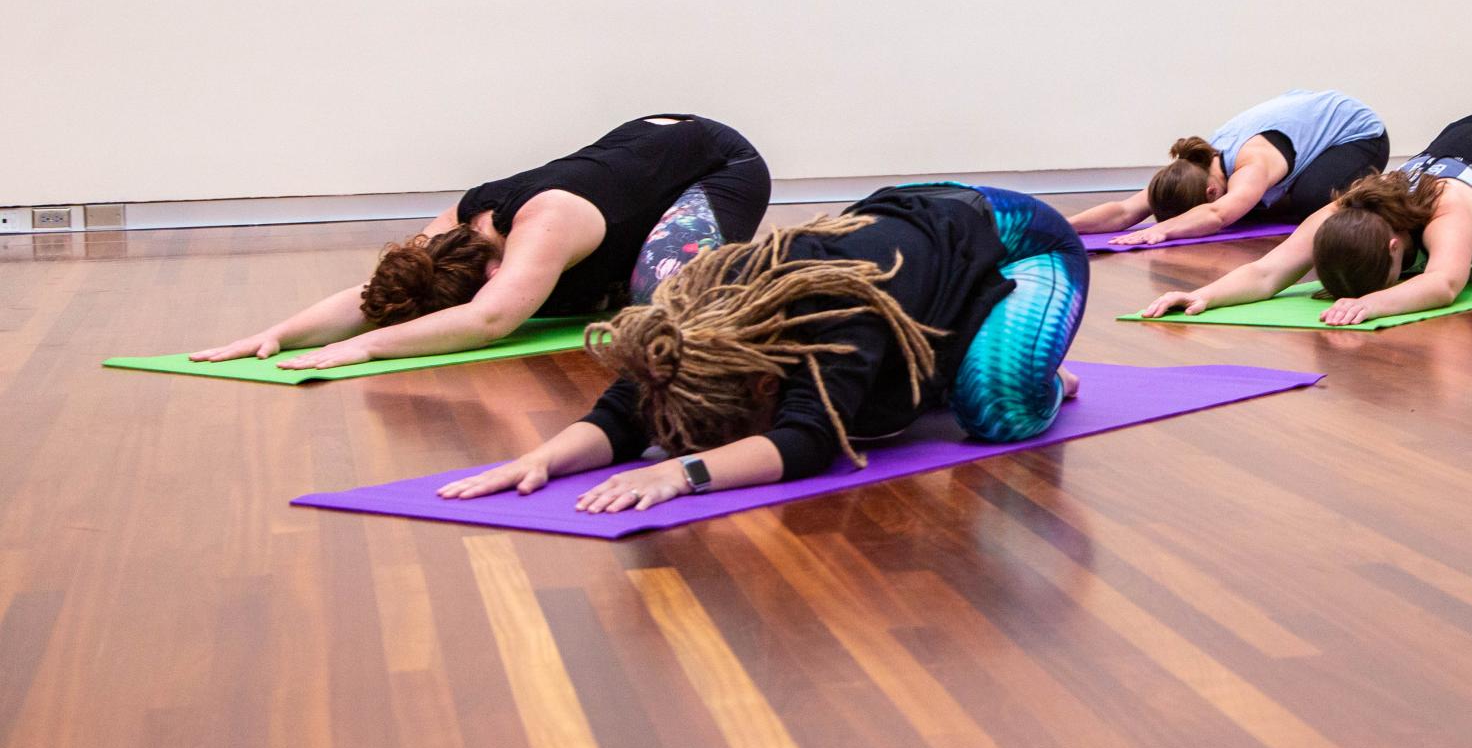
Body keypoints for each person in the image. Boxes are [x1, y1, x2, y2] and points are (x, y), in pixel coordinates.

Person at [435, 184, 1088, 514]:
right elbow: (635, 398)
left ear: (760, 385)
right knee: (887, 393)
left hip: (1021, 239)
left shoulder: (837, 314)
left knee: (996, 410)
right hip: (916, 218)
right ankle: (967, 344)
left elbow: (808, 442)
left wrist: (679, 474)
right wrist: (544, 459)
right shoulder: (698, 316)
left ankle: (1047, 376)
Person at [188, 114, 770, 370]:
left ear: (487, 273)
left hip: (715, 161)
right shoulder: (456, 222)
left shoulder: (545, 223)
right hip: (636, 153)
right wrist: (277, 334)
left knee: (656, 305)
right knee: (559, 295)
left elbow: (489, 321)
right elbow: (375, 294)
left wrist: (368, 347)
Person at [1138, 106, 1472, 326]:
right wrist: (1202, 296)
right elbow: (1265, 272)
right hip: (1471, 135)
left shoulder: (1446, 209)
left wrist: (1373, 303)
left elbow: (1443, 284)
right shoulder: (1343, 209)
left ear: (1396, 245)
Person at [1065, 88, 1387, 246]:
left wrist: (1159, 230)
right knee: (1247, 205)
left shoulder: (1251, 163)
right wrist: (1065, 225)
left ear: (1210, 191)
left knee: (1312, 203)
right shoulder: (1188, 168)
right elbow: (1123, 211)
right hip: (1304, 122)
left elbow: (1217, 215)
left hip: (1358, 133)